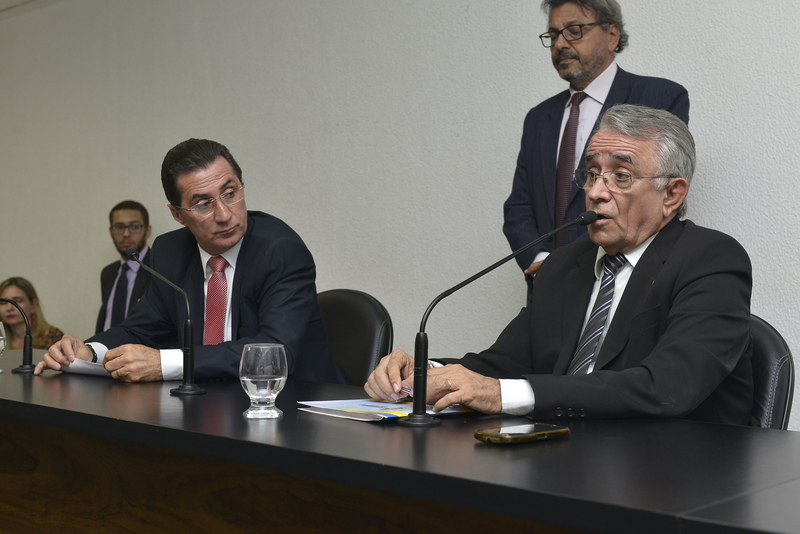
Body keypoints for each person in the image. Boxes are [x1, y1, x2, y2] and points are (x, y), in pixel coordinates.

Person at [366, 104, 754, 425]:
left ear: (671, 194)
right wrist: (422, 374)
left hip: (673, 473)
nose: (596, 192)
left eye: (620, 176)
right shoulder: (565, 265)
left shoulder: (711, 260)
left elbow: (669, 386)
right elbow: (502, 364)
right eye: (591, 174)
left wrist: (502, 394)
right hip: (566, 457)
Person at [36, 138, 345, 384]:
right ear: (177, 214)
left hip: (298, 409)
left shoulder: (281, 251)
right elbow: (140, 330)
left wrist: (165, 363)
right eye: (203, 204)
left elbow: (274, 354)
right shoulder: (171, 252)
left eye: (230, 193)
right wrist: (89, 352)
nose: (224, 214)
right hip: (210, 405)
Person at [503, 0, 690, 289]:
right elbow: (519, 208)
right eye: (553, 35)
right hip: (545, 286)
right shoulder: (538, 118)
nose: (560, 44)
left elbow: (653, 201)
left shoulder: (659, 97)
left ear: (612, 35)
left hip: (623, 284)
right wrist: (543, 261)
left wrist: (564, 263)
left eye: (574, 30)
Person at [96, 200, 153, 333]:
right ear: (111, 232)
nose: (126, 234)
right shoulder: (108, 273)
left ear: (147, 231)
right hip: (104, 345)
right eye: (119, 227)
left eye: (134, 226)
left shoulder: (159, 270)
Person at [0, 277, 64, 350]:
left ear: (33, 304)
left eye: (17, 301)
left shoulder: (52, 336)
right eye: (3, 303)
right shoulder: (1, 340)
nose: (9, 308)